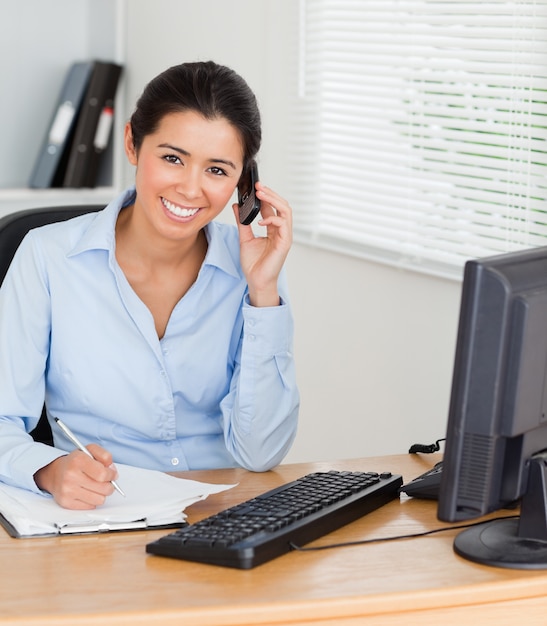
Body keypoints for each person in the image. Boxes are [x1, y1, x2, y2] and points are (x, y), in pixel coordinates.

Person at [0, 61, 299, 510]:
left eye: (217, 170)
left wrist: (263, 293)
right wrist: (45, 469)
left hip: (222, 509)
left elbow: (261, 454)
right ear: (132, 144)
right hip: (103, 509)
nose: (191, 189)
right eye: (173, 158)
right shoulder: (47, 257)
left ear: (244, 184)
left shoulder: (251, 271)